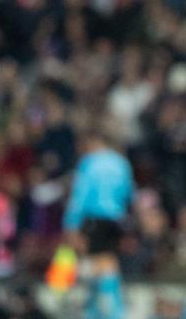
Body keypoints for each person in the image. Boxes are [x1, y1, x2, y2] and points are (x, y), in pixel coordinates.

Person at [63, 129, 135, 319]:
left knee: (93, 264)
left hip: (94, 218)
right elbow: (129, 193)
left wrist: (71, 225)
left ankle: (99, 312)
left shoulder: (89, 163)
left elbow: (79, 196)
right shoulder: (121, 163)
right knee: (109, 263)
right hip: (116, 220)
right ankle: (114, 310)